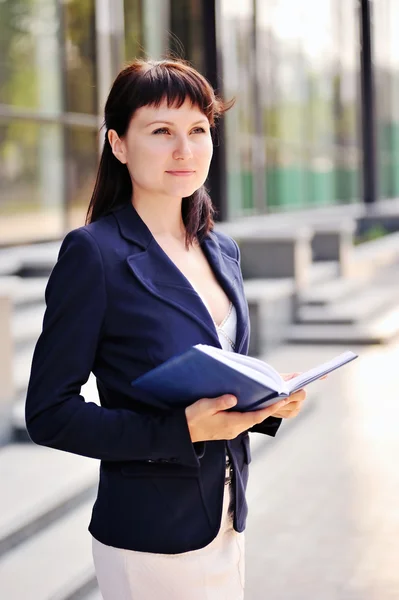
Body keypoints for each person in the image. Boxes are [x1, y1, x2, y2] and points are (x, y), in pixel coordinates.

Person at [25, 58, 306, 600]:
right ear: (119, 145)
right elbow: (49, 414)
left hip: (225, 518)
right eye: (161, 132)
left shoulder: (221, 249)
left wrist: (266, 401)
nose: (185, 149)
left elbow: (219, 379)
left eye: (198, 130)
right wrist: (182, 431)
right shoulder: (95, 254)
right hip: (150, 537)